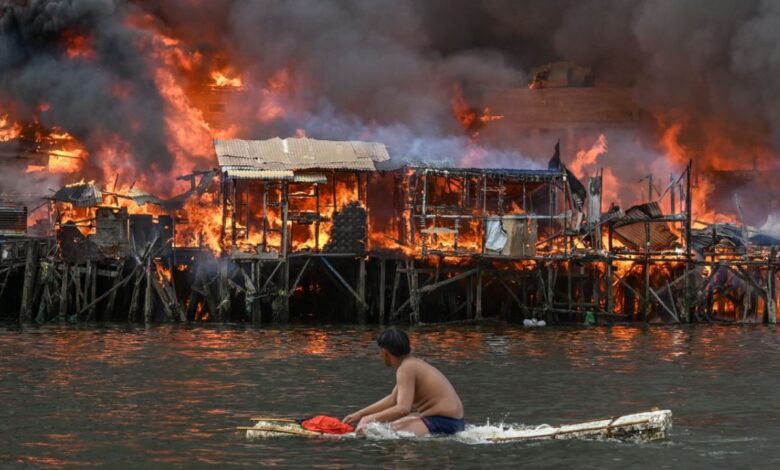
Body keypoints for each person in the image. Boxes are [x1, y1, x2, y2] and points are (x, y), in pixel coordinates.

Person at [343, 327, 464, 437]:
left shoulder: (406, 368)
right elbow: (393, 399)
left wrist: (367, 420)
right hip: (454, 422)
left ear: (385, 352)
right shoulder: (411, 364)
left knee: (379, 432)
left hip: (445, 422)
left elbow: (403, 409)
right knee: (387, 426)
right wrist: (359, 414)